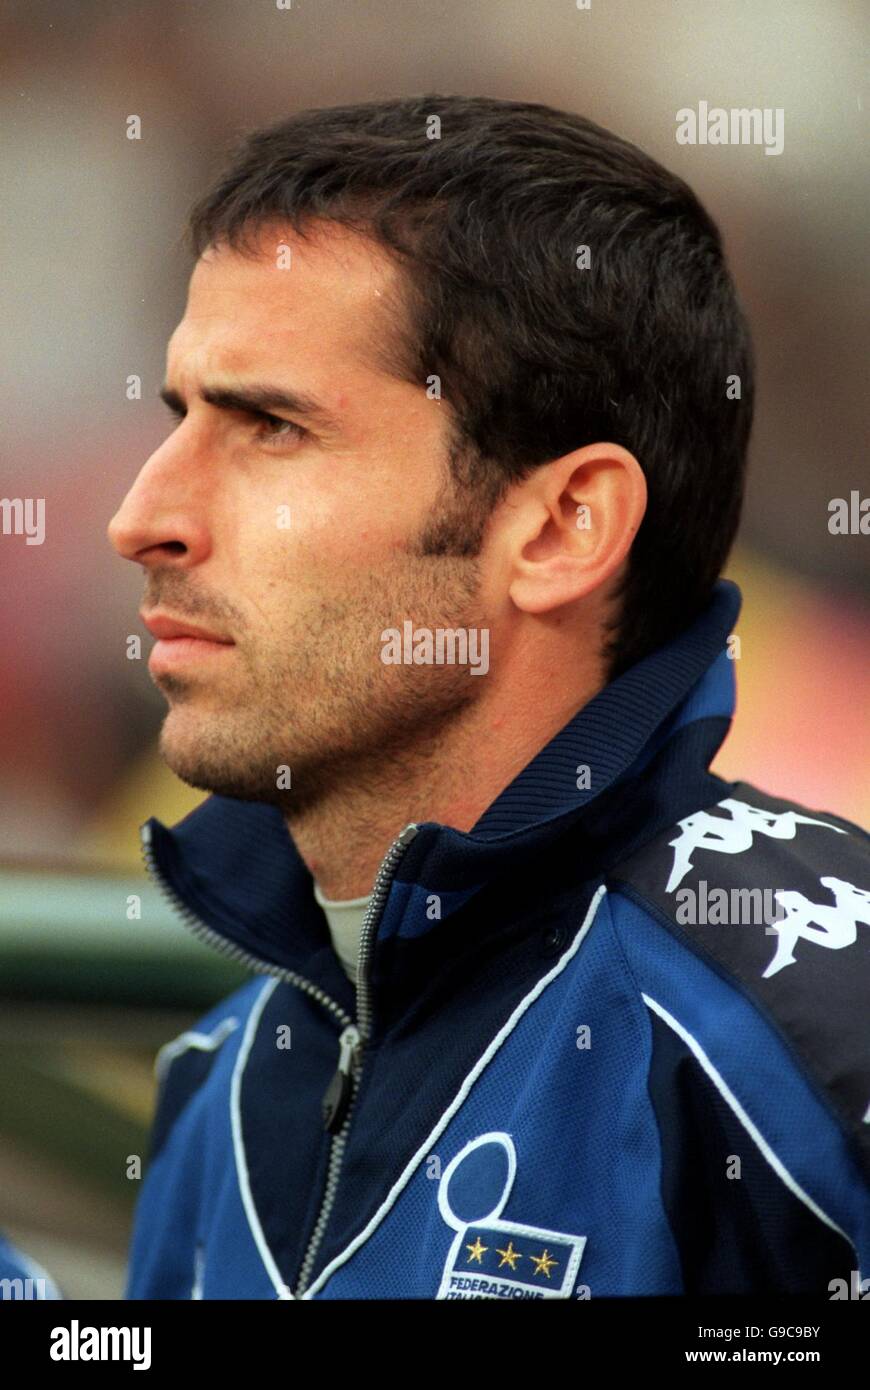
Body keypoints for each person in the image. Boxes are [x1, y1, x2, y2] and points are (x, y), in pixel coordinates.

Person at [108, 95, 869, 1299]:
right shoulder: (226, 1076)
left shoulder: (816, 1041)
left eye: (271, 427)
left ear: (563, 525)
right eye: (182, 416)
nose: (140, 519)